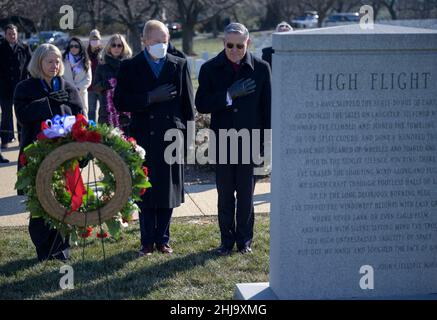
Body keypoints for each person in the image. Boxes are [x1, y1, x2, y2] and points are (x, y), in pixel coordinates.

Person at [114, 20, 194, 256]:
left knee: (168, 191)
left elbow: (188, 106)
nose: (162, 45)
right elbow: (120, 101)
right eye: (157, 41)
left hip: (171, 136)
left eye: (165, 41)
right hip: (142, 137)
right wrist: (149, 97)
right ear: (145, 41)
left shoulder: (178, 64)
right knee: (146, 191)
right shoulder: (130, 66)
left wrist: (188, 140)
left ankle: (163, 239)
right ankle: (147, 241)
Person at [195, 22, 271, 255]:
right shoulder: (210, 68)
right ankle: (226, 241)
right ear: (223, 43)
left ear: (248, 43)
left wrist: (266, 144)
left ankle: (244, 241)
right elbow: (202, 104)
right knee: (225, 194)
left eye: (240, 45)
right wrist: (228, 95)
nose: (235, 50)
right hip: (223, 141)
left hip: (251, 142)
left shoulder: (261, 68)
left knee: (246, 195)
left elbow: (267, 109)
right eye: (230, 45)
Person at [14, 44, 83, 261]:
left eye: (57, 61)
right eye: (49, 61)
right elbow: (23, 116)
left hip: (64, 156)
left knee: (62, 200)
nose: (54, 66)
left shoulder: (69, 87)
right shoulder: (24, 88)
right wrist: (48, 102)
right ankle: (44, 249)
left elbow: (80, 117)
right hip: (36, 156)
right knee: (41, 202)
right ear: (39, 63)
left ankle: (61, 246)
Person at [0, 24, 32, 149]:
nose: (12, 36)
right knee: (6, 116)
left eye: (14, 33)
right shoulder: (1, 48)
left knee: (21, 116)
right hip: (5, 89)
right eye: (9, 34)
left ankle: (22, 140)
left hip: (21, 88)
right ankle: (5, 140)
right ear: (5, 35)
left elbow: (31, 66)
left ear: (17, 34)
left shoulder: (24, 48)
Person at [93, 33, 132, 128]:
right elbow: (96, 88)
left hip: (125, 112)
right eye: (113, 45)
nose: (116, 48)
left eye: (119, 45)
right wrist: (107, 84)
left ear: (123, 47)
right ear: (109, 47)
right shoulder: (102, 65)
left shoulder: (129, 65)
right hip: (106, 113)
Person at [62, 37, 92, 118]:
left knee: (83, 118)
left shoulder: (86, 61)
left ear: (80, 47)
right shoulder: (63, 60)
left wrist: (77, 88)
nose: (73, 48)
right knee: (68, 118)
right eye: (71, 46)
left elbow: (88, 79)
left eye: (76, 46)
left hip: (81, 94)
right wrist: (69, 88)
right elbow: (60, 76)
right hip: (67, 94)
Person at [87, 29, 103, 122]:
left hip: (101, 87)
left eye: (96, 38)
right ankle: (92, 130)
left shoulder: (103, 52)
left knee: (103, 110)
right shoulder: (85, 53)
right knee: (91, 111)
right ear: (89, 40)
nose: (94, 40)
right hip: (90, 88)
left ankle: (102, 131)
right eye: (92, 38)